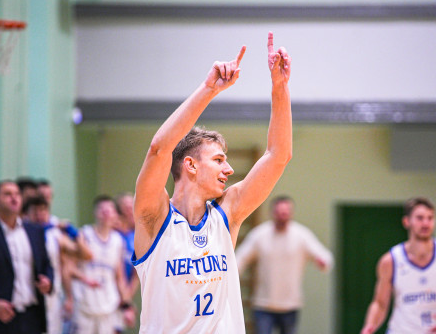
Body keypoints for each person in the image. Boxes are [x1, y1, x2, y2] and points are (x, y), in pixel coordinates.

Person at [132, 32, 292, 333]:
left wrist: (279, 87)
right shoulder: (154, 217)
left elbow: (278, 155)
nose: (229, 169)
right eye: (218, 160)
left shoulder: (226, 213)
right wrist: (208, 90)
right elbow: (159, 149)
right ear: (190, 165)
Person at [360, 197, 436, 334]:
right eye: (420, 218)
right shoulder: (390, 261)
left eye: (430, 218)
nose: (426, 223)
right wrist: (370, 326)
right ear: (406, 222)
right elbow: (380, 303)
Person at [235, 195, 334, 334]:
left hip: (290, 305)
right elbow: (240, 259)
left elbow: (325, 257)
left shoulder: (302, 235)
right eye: (280, 213)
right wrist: (228, 279)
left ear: (291, 213)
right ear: (272, 213)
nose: (283, 216)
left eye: (286, 213)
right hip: (263, 304)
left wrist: (323, 262)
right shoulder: (259, 235)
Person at [26, 196, 93, 334]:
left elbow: (86, 255)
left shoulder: (55, 235)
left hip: (52, 295)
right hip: (28, 296)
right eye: (35, 211)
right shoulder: (21, 235)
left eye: (43, 210)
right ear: (27, 214)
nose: (39, 215)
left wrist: (75, 233)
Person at [0, 180, 53, 334]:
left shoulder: (34, 231)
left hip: (32, 315)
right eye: (7, 194)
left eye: (17, 194)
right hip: (1, 315)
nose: (14, 198)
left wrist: (48, 281)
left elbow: (46, 264)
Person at [72, 195, 129, 334]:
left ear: (115, 214)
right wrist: (85, 279)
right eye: (101, 209)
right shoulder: (84, 234)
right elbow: (70, 269)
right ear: (95, 213)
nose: (105, 212)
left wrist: (127, 305)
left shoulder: (118, 241)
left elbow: (119, 277)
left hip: (108, 305)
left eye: (109, 209)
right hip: (84, 305)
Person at [114, 192, 139, 331]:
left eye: (131, 204)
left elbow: (136, 275)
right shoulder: (113, 233)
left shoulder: (136, 236)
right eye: (125, 205)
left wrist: (127, 298)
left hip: (124, 295)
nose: (129, 208)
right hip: (108, 291)